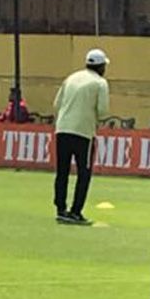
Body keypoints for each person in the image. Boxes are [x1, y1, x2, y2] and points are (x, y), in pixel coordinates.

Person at [52, 49, 111, 226]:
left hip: (62, 129)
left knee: (62, 171)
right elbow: (102, 111)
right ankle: (76, 211)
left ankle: (61, 209)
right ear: (100, 67)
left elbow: (57, 104)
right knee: (83, 173)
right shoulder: (100, 83)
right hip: (83, 132)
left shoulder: (71, 78)